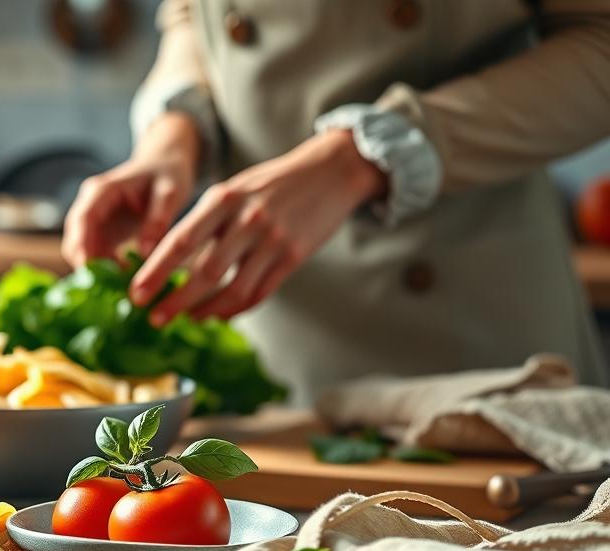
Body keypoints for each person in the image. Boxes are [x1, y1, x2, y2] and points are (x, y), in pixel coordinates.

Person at [63, 0, 610, 404]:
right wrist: (174, 133)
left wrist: (357, 159)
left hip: (471, 337)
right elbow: (190, 17)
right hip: (265, 335)